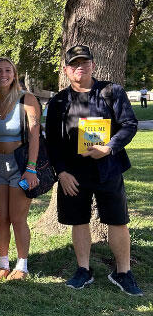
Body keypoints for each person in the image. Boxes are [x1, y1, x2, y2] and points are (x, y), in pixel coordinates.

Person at [45, 45, 142, 295]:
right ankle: (83, 270)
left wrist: (108, 148)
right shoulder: (58, 102)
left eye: (85, 62)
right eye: (74, 64)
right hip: (73, 174)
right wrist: (61, 172)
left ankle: (123, 272)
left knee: (118, 220)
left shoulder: (112, 92)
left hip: (108, 169)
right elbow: (52, 143)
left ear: (93, 65)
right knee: (79, 221)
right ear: (66, 70)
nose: (80, 67)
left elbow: (129, 124)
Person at [0, 57, 41, 280]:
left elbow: (35, 136)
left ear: (15, 74)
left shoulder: (26, 99)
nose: (3, 75)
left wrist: (31, 168)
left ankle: (22, 265)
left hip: (20, 164)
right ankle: (3, 264)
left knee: (18, 218)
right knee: (2, 218)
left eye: (8, 70)